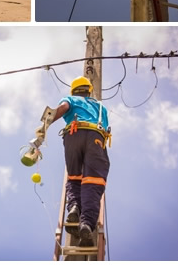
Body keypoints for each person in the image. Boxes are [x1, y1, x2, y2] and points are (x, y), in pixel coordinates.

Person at [45, 76, 110, 247]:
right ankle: (87, 223)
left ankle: (74, 208)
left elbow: (62, 108)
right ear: (88, 90)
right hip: (95, 136)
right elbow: (106, 128)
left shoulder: (71, 99)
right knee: (93, 181)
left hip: (72, 135)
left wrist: (46, 124)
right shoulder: (100, 106)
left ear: (74, 90)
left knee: (74, 177)